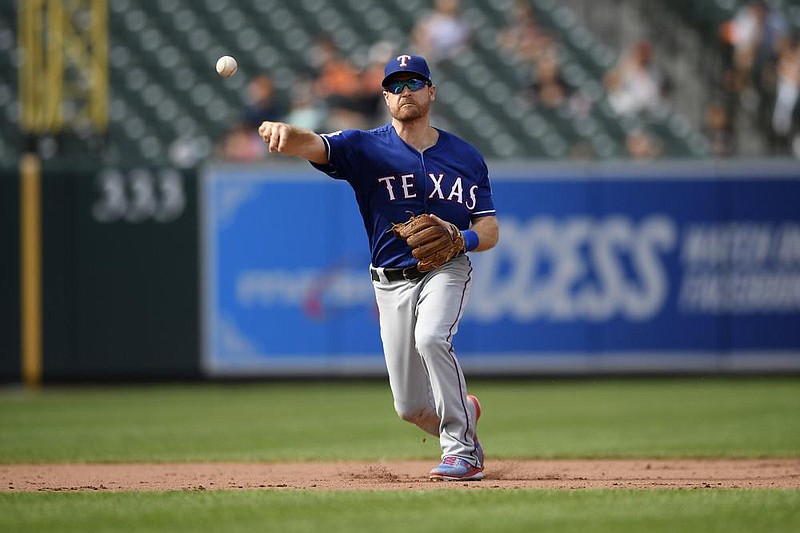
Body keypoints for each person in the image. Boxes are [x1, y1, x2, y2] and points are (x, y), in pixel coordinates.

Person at [258, 54, 499, 481]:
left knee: (431, 336)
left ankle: (463, 450)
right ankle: (465, 412)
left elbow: (490, 228)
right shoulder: (365, 147)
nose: (405, 92)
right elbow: (313, 143)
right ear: (385, 97)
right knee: (410, 408)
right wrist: (284, 132)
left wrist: (462, 239)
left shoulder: (466, 157)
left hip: (447, 268)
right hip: (390, 282)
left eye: (414, 83)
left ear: (431, 91)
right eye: (396, 86)